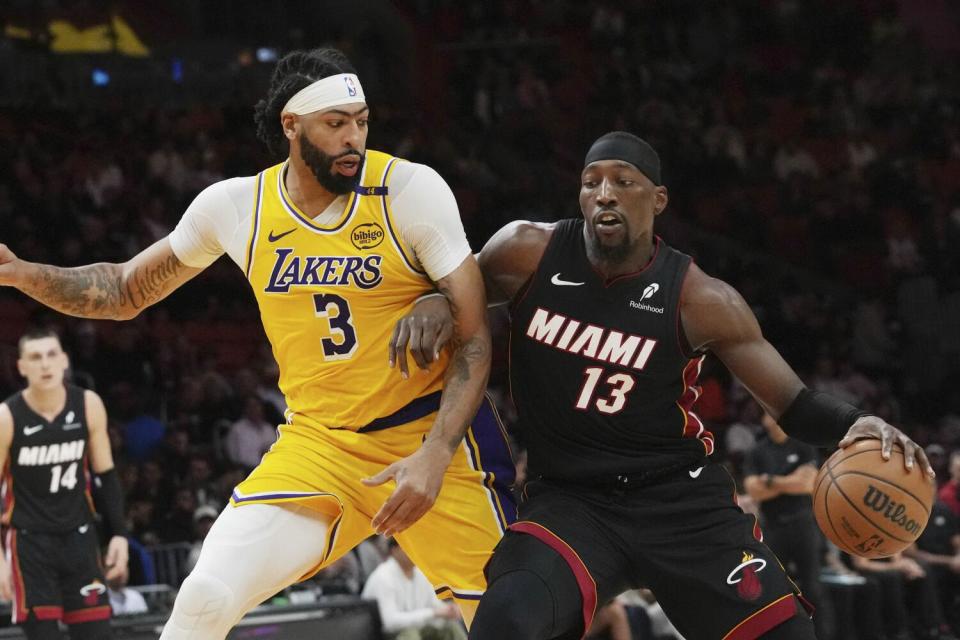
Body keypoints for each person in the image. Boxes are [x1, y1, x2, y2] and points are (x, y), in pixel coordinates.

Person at [0, 47, 514, 639]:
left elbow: (475, 340)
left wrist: (436, 450)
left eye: (362, 120)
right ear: (290, 126)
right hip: (321, 445)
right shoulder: (237, 206)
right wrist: (22, 274)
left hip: (432, 439)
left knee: (516, 623)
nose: (354, 138)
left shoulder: (409, 191)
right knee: (204, 595)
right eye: (336, 123)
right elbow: (123, 289)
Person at [398, 131, 934, 639]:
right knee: (506, 619)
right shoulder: (526, 252)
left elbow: (792, 403)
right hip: (570, 501)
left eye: (623, 181)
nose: (605, 193)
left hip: (680, 501)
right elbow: (454, 291)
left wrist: (853, 422)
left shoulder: (701, 298)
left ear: (657, 200)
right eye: (591, 181)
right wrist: (432, 299)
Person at [0, 329, 129, 639]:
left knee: (97, 634)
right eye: (35, 357)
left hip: (80, 539)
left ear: (64, 361)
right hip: (29, 544)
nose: (45, 364)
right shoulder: (7, 417)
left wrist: (120, 535)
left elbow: (107, 476)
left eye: (51, 355)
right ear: (21, 367)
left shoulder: (87, 404)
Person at [743, 413, 834, 639]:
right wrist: (790, 481)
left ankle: (822, 636)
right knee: (775, 590)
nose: (772, 418)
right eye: (766, 414)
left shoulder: (804, 446)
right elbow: (753, 490)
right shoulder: (757, 451)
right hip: (773, 526)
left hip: (803, 523)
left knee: (813, 587)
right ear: (763, 420)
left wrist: (771, 481)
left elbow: (808, 484)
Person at [361, 538, 466, 640]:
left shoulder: (421, 573)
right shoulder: (383, 576)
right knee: (410, 634)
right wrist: (433, 613)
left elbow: (436, 605)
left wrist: (450, 610)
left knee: (450, 627)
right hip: (384, 635)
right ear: (394, 550)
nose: (414, 550)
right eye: (408, 546)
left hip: (417, 629)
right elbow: (391, 623)